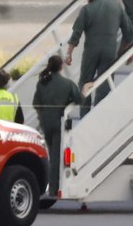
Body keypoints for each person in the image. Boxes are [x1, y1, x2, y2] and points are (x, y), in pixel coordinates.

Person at [65, 0, 133, 114]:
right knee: (105, 83)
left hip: (91, 51)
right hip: (109, 52)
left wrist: (69, 53)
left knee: (85, 83)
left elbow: (76, 34)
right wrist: (123, 52)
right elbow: (129, 33)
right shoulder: (116, 7)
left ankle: (84, 116)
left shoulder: (86, 10)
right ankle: (98, 114)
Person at [32, 54, 82, 198]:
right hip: (59, 122)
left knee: (52, 155)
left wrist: (42, 115)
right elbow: (79, 99)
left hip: (46, 122)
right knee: (56, 158)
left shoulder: (42, 83)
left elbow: (36, 103)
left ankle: (52, 186)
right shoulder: (67, 83)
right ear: (61, 67)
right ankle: (54, 189)